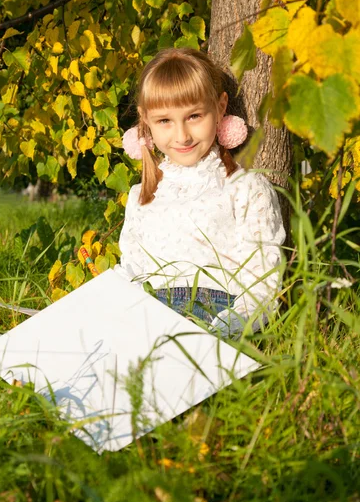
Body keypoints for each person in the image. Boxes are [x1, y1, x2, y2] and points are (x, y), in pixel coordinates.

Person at [114, 47, 286, 338]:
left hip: (218, 319)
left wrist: (220, 332)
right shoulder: (142, 196)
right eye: (164, 121)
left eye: (194, 116)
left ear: (220, 108)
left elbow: (261, 281)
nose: (182, 136)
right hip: (149, 323)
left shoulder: (245, 188)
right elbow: (131, 271)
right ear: (146, 120)